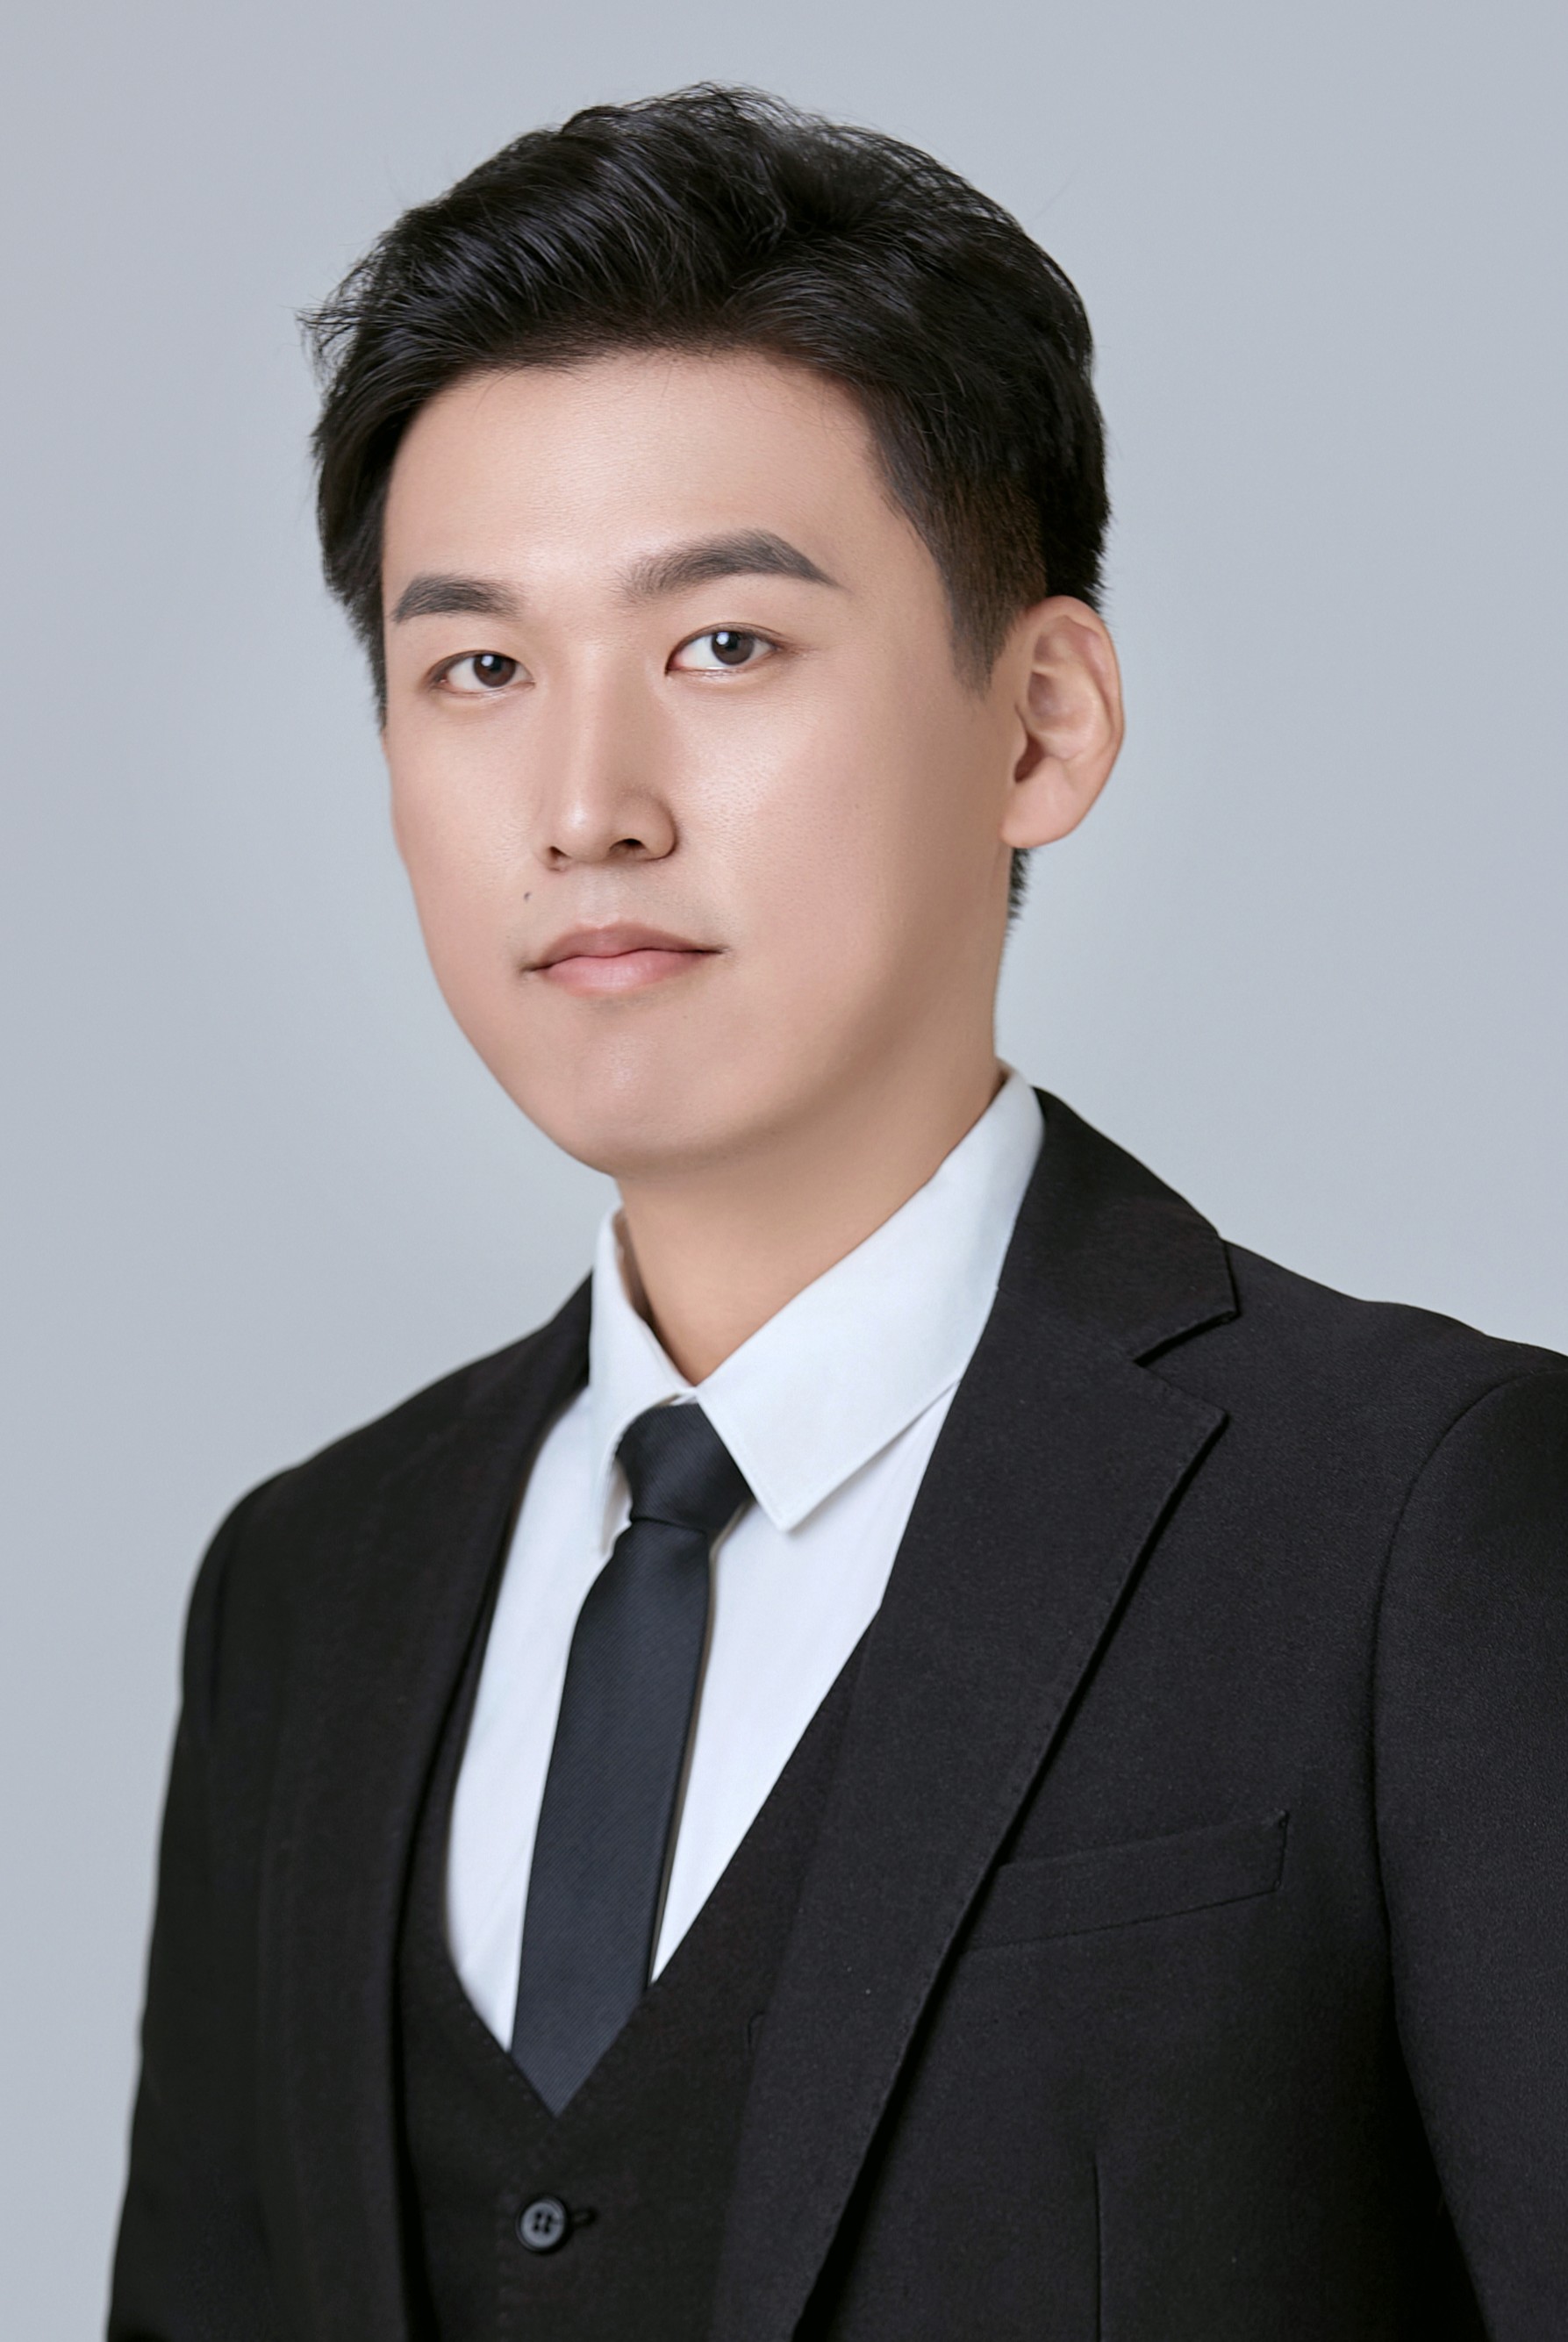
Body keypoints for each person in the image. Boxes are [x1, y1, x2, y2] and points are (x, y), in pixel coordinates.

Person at [110, 84, 1568, 2342]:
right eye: (478, 667)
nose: (586, 807)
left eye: (724, 645)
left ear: (1042, 723)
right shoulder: (304, 1593)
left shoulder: (1422, 1522)